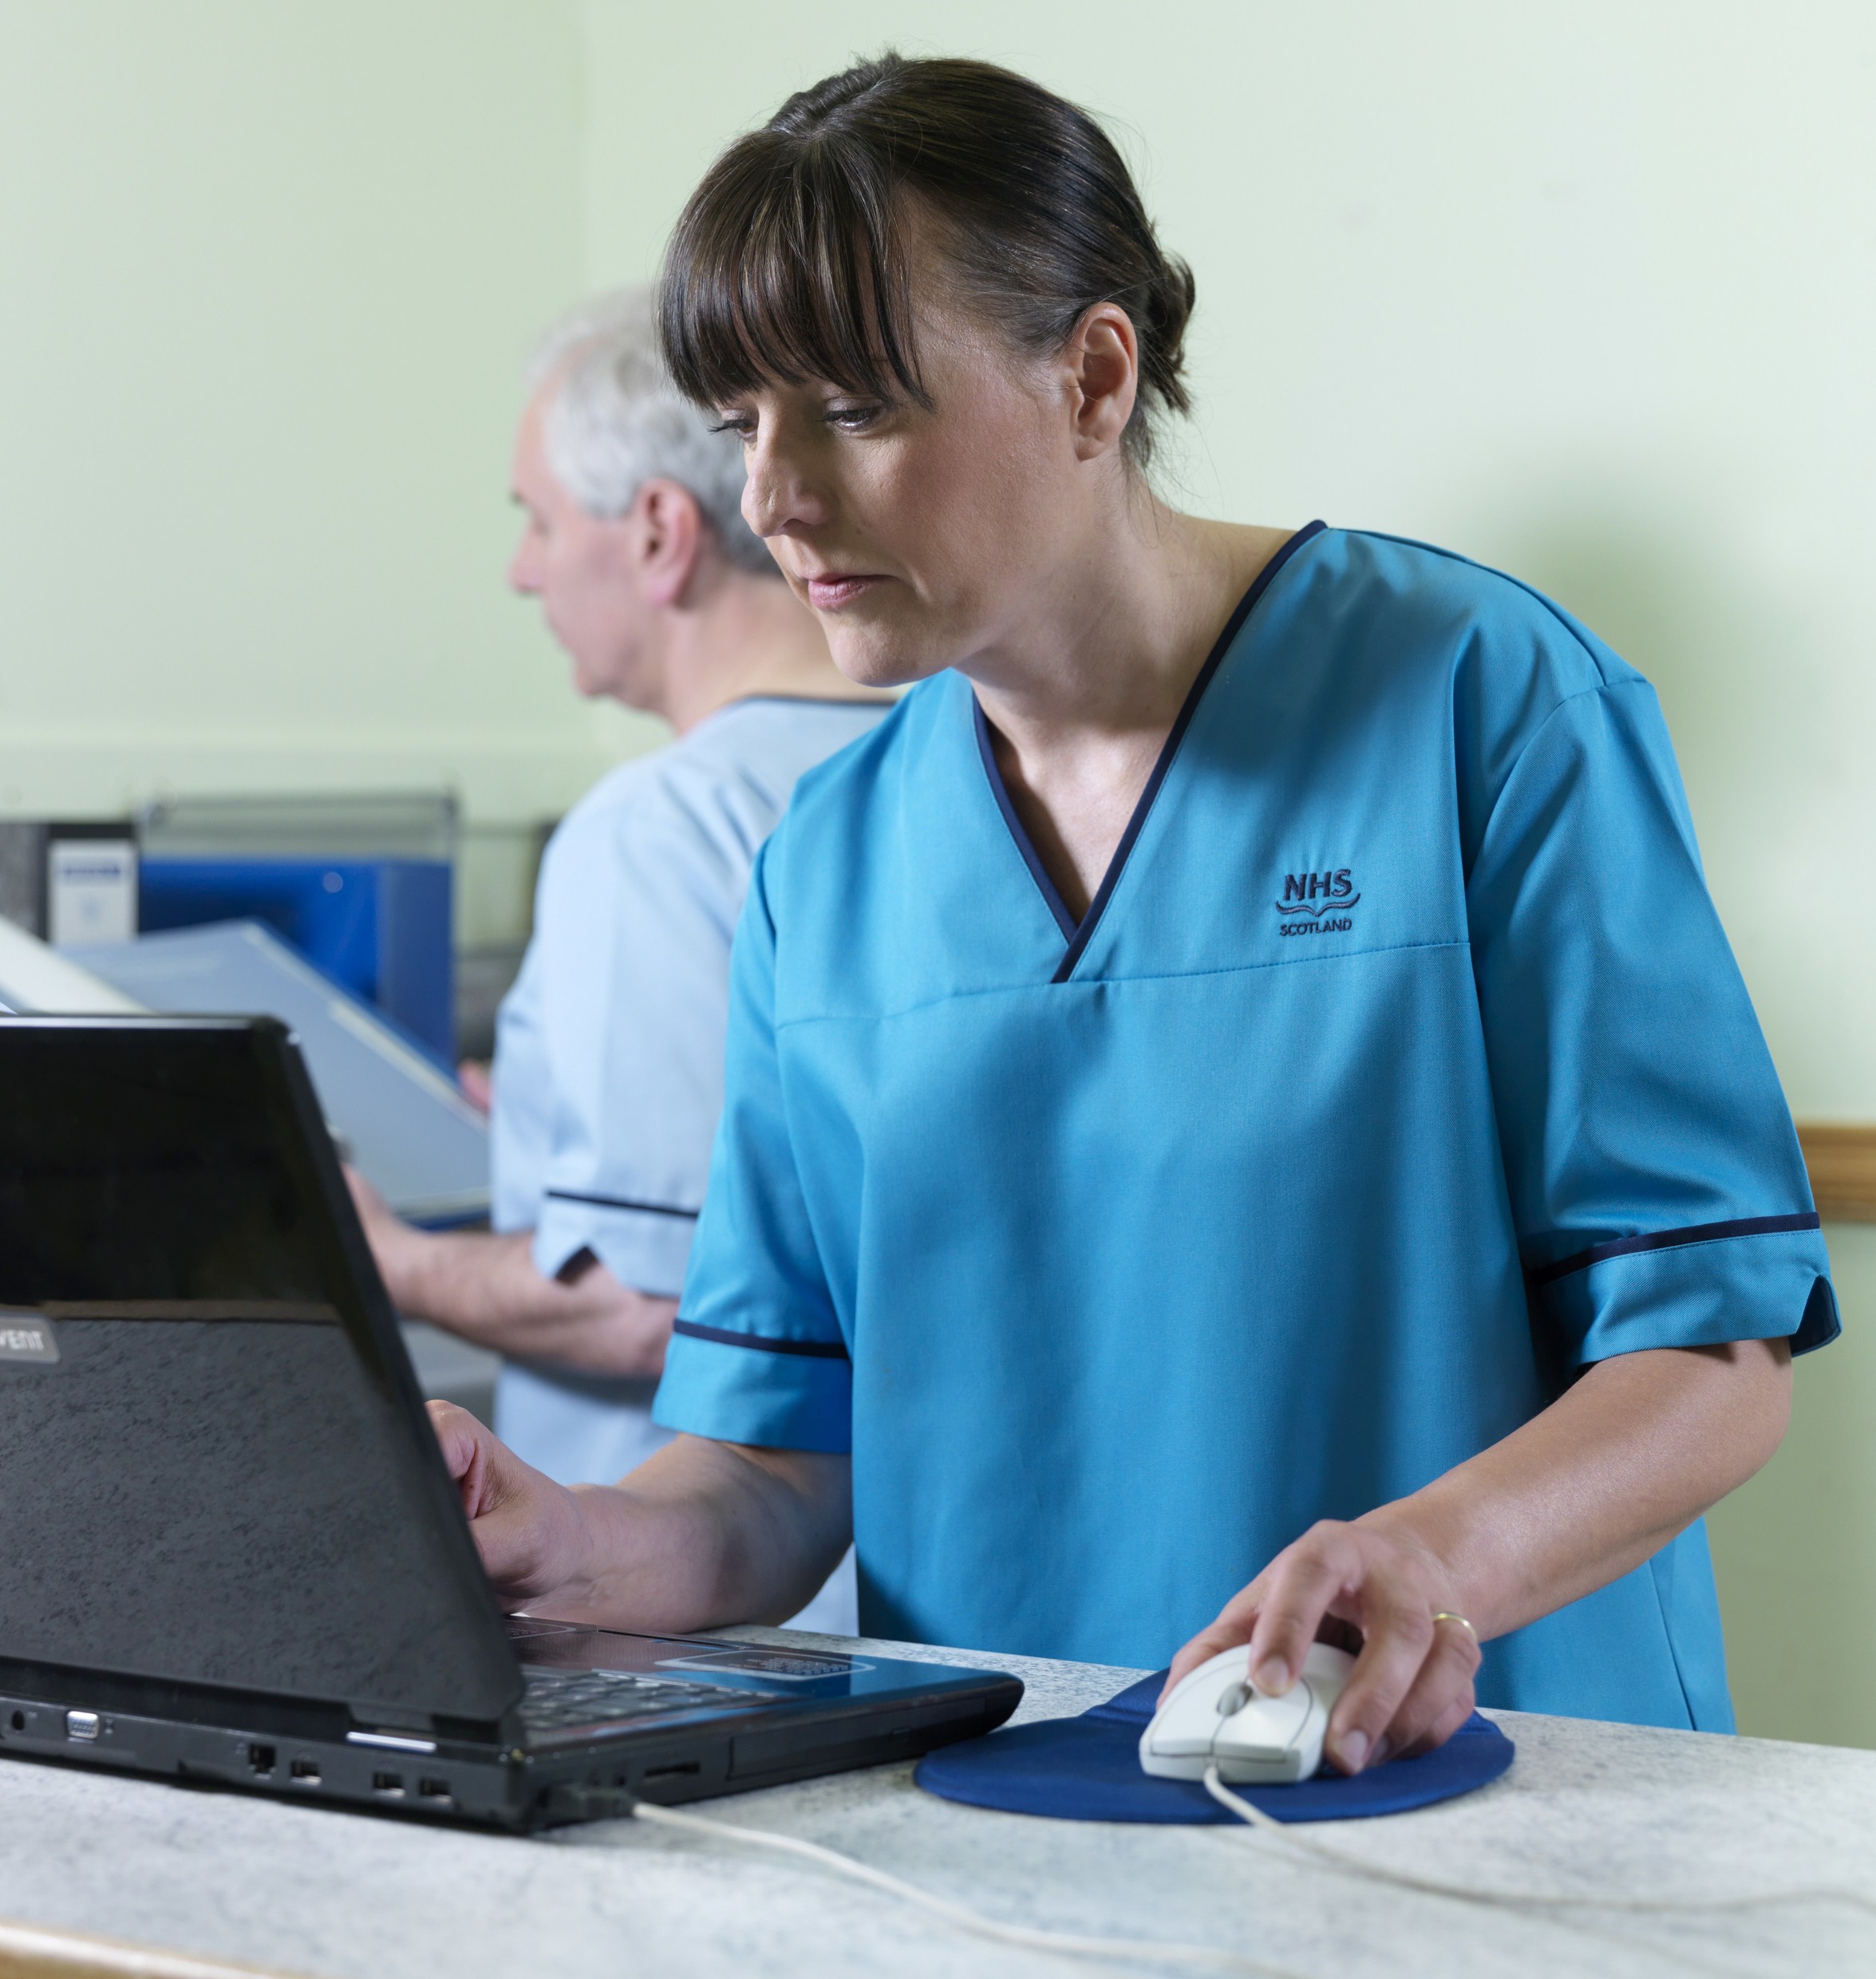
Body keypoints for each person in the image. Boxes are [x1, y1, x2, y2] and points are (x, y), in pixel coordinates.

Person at [422, 57, 1837, 1770]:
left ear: (1094, 374)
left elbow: (1712, 1355)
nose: (775, 499)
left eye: (852, 410)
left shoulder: (1483, 703)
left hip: (1491, 1806)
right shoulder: (834, 861)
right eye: (742, 428)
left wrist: (1430, 1556)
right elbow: (772, 1471)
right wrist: (557, 1537)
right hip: (1011, 1833)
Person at [350, 288, 888, 1631]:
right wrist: (549, 1125)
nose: (524, 571)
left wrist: (384, 1256)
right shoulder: (940, 771)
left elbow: (651, 1304)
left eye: (538, 520)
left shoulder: (658, 827)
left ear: (658, 529)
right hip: (889, 1602)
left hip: (676, 1610)